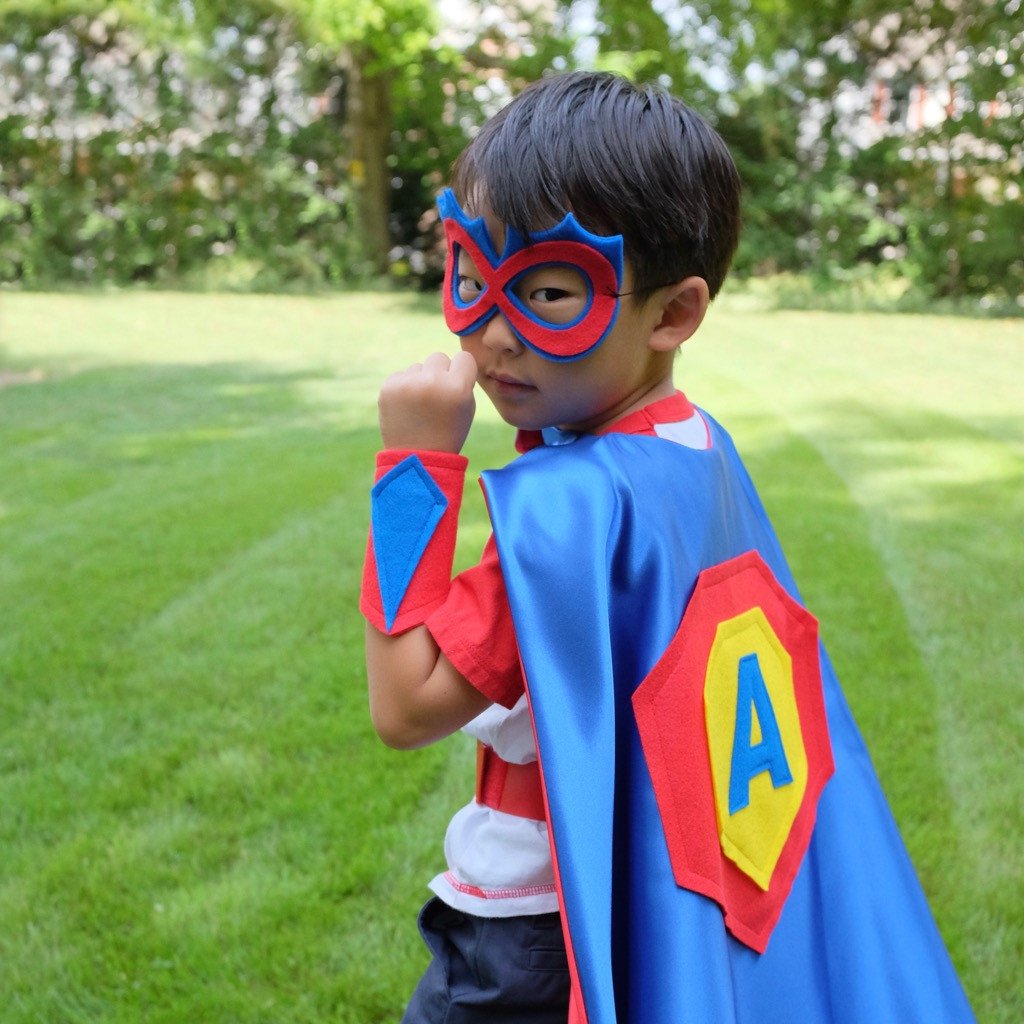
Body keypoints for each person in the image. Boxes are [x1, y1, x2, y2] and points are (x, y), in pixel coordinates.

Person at [360, 71, 974, 1024]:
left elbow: (404, 707)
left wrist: (412, 467)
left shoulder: (569, 511)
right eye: (472, 279)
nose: (489, 333)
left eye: (548, 292)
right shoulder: (699, 448)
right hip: (656, 889)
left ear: (672, 314)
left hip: (537, 926)